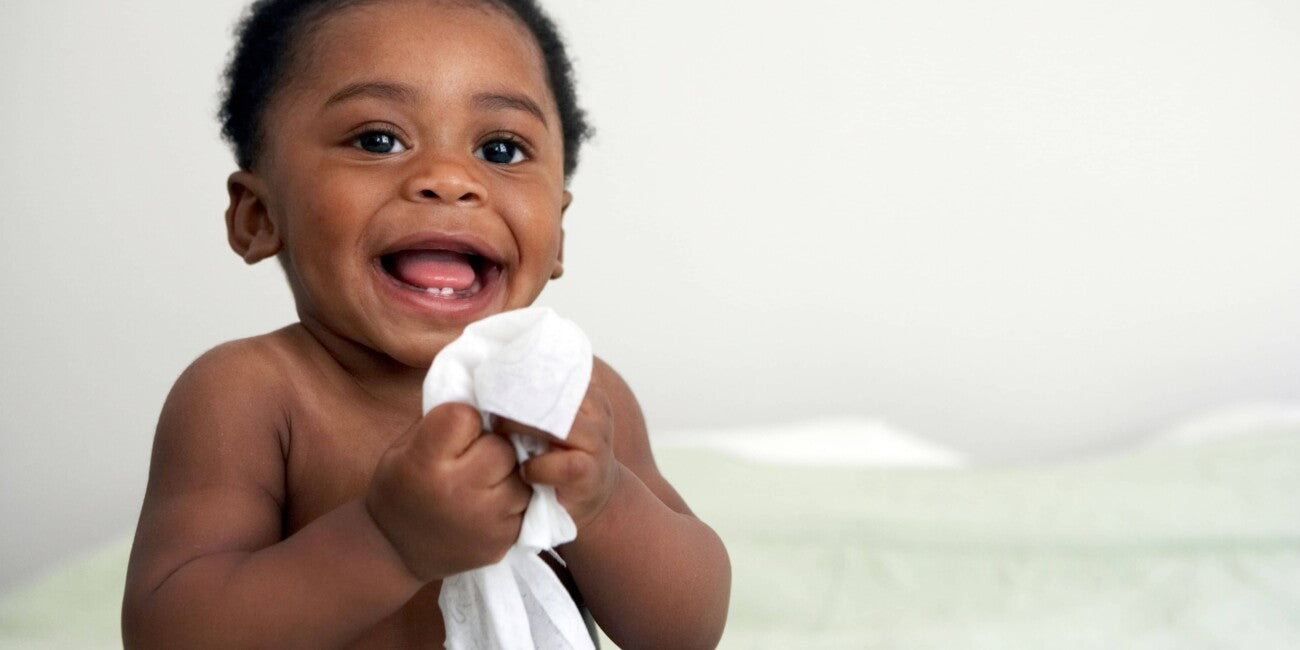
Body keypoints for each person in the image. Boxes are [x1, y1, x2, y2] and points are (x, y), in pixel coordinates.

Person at [120, 0, 731, 646]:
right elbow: (170, 631)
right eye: (377, 140)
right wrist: (386, 542)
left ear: (557, 235)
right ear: (257, 215)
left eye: (500, 148)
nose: (449, 178)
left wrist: (605, 502)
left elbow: (687, 633)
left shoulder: (577, 395)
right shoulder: (248, 397)